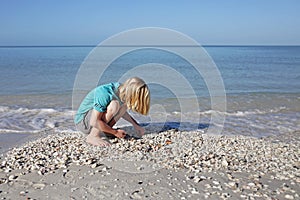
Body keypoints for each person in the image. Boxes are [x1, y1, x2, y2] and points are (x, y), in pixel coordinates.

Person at [74, 77, 150, 146]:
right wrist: (115, 132)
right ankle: (93, 135)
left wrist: (136, 125)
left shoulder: (122, 90)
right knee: (115, 105)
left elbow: (122, 112)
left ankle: (104, 132)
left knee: (123, 106)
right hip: (83, 122)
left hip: (95, 122)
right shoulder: (104, 93)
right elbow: (94, 121)